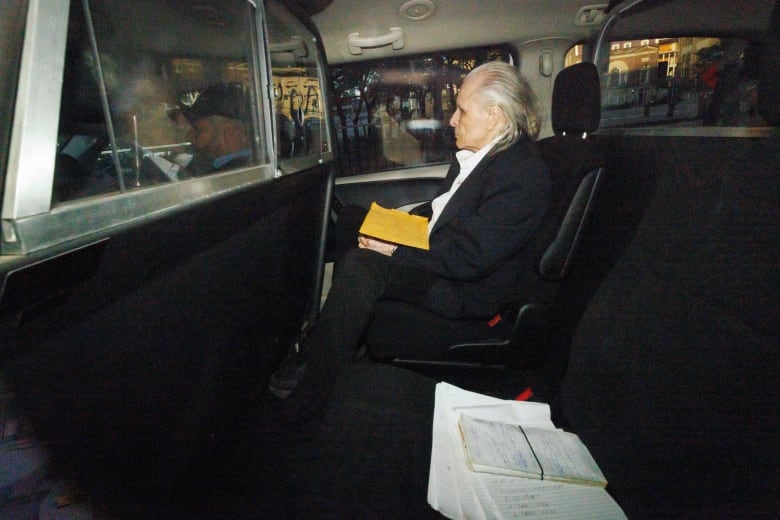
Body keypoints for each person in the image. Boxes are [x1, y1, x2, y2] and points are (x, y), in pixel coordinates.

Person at [270, 61, 551, 420]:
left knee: (363, 265)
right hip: (445, 258)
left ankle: (315, 386)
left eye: (462, 110)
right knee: (355, 218)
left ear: (494, 116)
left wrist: (395, 248)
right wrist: (398, 225)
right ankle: (338, 334)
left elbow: (470, 257)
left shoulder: (522, 175)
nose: (452, 119)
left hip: (465, 293)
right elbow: (443, 214)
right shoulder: (484, 155)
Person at [175, 82, 253, 174]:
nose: (189, 138)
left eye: (198, 130)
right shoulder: (252, 165)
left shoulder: (227, 177)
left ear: (228, 131)